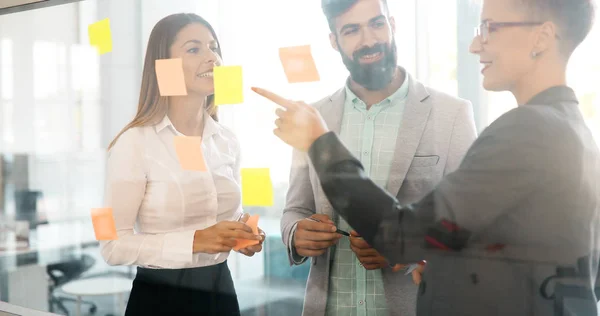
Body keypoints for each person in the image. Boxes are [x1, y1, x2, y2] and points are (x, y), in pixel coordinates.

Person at [254, 0, 600, 314]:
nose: (475, 44)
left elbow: (402, 236)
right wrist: (445, 268)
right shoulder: (571, 130)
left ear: (542, 38)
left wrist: (319, 141)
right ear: (334, 39)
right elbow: (498, 245)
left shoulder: (526, 130)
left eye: (490, 27)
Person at [280, 0, 477, 315]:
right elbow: (295, 208)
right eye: (351, 30)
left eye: (376, 23)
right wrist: (297, 233)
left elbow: (467, 225)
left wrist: (403, 250)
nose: (368, 39)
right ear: (334, 40)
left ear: (393, 24)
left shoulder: (452, 115)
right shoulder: (316, 118)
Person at [100, 13, 264, 316]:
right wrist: (196, 241)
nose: (212, 57)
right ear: (164, 65)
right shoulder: (135, 143)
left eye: (213, 47)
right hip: (161, 298)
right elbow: (111, 245)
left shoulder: (225, 140)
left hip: (221, 291)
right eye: (194, 49)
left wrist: (243, 234)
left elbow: (227, 215)